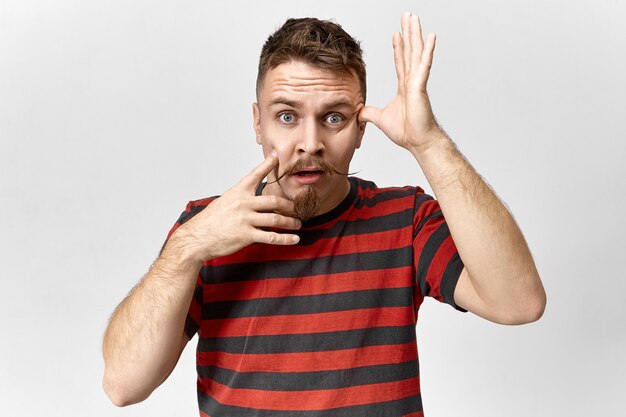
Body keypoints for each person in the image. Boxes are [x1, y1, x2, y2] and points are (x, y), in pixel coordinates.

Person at [102, 12, 546, 416]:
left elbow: (519, 303)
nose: (310, 142)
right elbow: (123, 385)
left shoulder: (404, 220)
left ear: (360, 128)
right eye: (287, 116)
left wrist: (429, 143)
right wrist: (187, 247)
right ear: (258, 123)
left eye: (333, 118)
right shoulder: (204, 229)